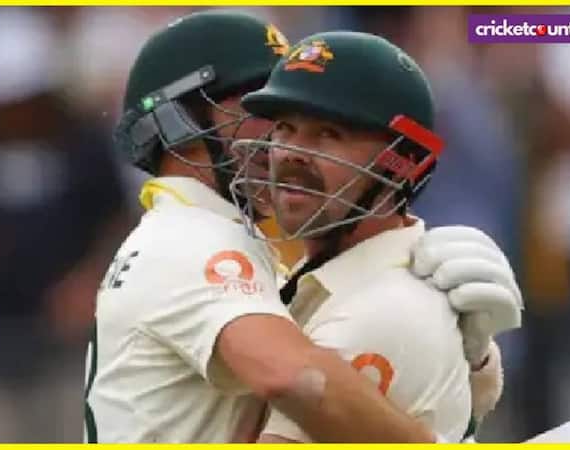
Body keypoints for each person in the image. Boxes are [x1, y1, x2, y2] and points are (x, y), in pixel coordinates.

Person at [85, 11, 522, 443]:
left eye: (327, 131)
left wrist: (469, 362)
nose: (278, 143)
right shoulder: (194, 241)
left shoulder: (225, 243)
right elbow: (296, 378)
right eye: (274, 116)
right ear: (175, 120)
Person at [228, 31, 521, 443]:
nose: (291, 151)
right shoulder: (325, 274)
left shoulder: (379, 310)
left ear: (401, 164)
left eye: (328, 133)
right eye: (285, 128)